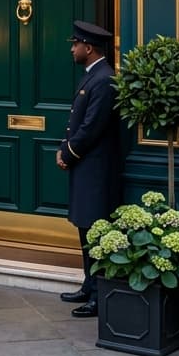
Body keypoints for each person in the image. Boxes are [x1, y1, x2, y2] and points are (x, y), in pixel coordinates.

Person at [57, 20, 122, 318]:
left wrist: (68, 154)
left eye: (75, 44)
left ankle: (98, 295)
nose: (72, 49)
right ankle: (88, 284)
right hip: (85, 165)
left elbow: (92, 127)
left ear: (89, 47)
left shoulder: (104, 79)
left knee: (95, 231)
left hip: (95, 168)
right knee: (85, 229)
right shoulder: (93, 76)